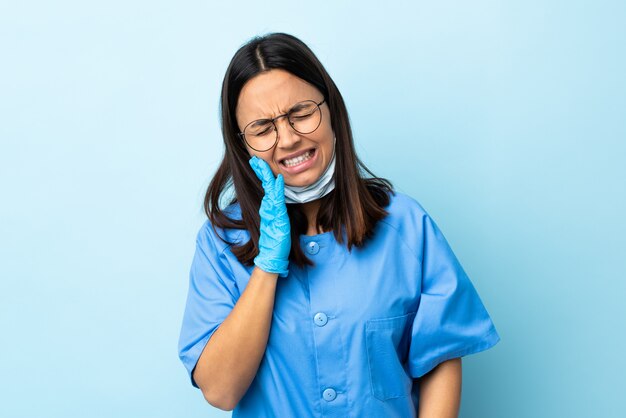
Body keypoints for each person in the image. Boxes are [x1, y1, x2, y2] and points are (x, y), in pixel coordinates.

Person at [177, 32, 500, 417]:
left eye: (301, 113)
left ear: (331, 110)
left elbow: (440, 362)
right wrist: (266, 265)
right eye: (263, 129)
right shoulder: (220, 243)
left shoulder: (406, 226)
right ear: (242, 144)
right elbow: (220, 390)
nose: (289, 139)